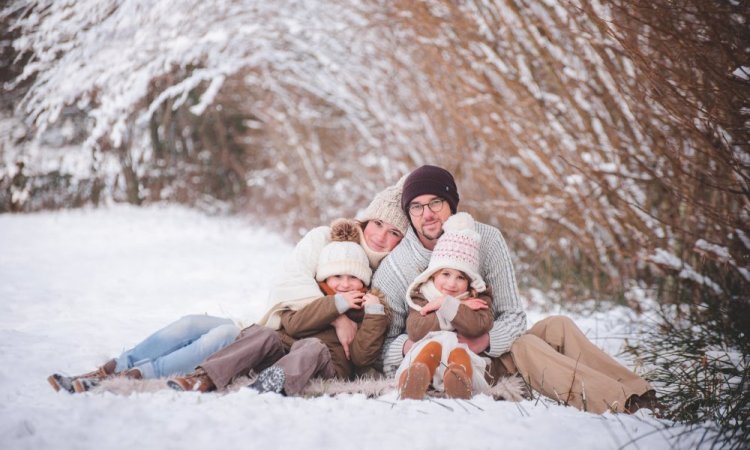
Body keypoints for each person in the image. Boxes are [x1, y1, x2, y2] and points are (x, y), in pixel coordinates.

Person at [47, 179, 408, 393]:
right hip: (268, 328)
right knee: (192, 324)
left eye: (395, 233)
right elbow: (287, 284)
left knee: (214, 340)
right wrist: (336, 311)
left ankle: (138, 375)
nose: (381, 237)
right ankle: (113, 367)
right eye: (377, 224)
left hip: (281, 341)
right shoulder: (324, 239)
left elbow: (361, 347)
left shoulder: (378, 281)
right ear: (365, 219)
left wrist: (349, 308)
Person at [373, 164, 655, 414]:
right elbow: (382, 348)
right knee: (526, 346)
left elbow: (514, 316)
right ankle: (618, 403)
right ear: (408, 213)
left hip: (491, 343)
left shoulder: (487, 239)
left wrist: (484, 341)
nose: (427, 214)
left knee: (559, 325)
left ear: (451, 203)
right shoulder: (397, 266)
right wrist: (425, 345)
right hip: (457, 364)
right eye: (417, 207)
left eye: (435, 202)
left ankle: (640, 392)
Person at [167, 220, 388, 395]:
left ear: (364, 281)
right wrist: (335, 305)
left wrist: (375, 313)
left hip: (327, 365)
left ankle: (273, 384)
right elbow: (293, 325)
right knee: (264, 334)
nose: (345, 284)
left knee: (313, 346)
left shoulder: (365, 311)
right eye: (337, 276)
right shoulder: (311, 296)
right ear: (324, 278)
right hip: (285, 351)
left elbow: (361, 357)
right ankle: (204, 376)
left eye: (353, 277)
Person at [395, 212, 494, 400]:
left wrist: (446, 305)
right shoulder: (422, 295)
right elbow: (417, 330)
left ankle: (458, 380)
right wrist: (456, 308)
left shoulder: (478, 298)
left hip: (464, 352)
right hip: (425, 351)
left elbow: (478, 326)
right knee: (433, 346)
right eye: (446, 274)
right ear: (433, 274)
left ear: (470, 281)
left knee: (458, 351)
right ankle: (416, 377)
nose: (451, 284)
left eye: (460, 277)